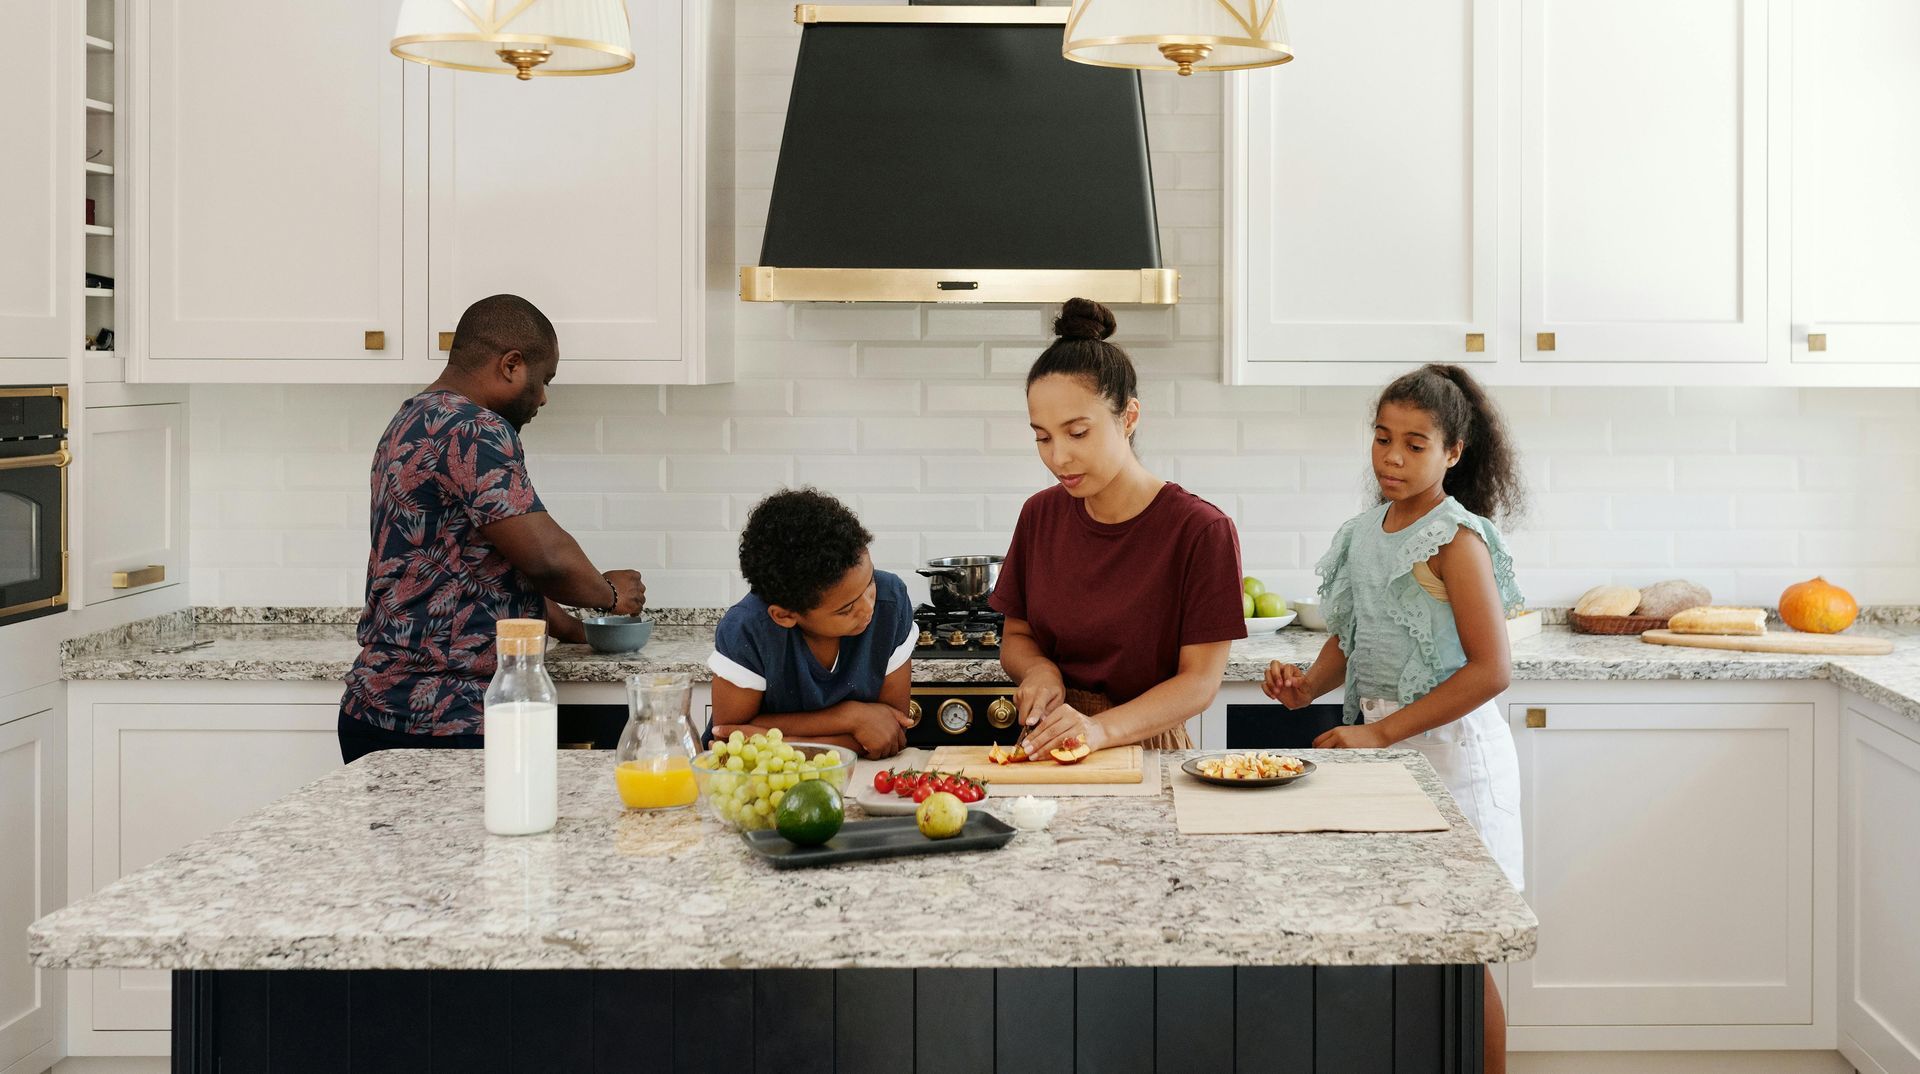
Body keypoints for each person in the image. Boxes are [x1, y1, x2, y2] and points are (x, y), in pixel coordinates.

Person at [1263, 362, 1526, 1074]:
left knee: (1463, 953)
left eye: (1414, 444)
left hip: (1452, 756)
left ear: (1453, 453)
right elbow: (1357, 634)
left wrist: (1378, 733)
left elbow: (1490, 670)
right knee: (1398, 939)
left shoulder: (1457, 541)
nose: (1392, 457)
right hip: (1389, 760)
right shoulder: (1364, 531)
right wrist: (1306, 685)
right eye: (1383, 439)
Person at [338, 294, 646, 764]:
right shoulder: (474, 429)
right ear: (511, 365)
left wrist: (580, 630)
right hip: (447, 716)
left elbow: (491, 563)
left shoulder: (411, 417)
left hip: (380, 709)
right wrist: (609, 595)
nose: (543, 396)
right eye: (544, 380)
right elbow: (546, 557)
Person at [993, 298, 1247, 757]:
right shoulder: (1039, 515)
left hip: (1147, 745)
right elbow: (1017, 637)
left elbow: (1199, 683)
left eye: (1077, 432)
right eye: (1042, 437)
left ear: (1128, 417)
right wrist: (1039, 671)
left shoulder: (1201, 531)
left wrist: (1100, 730)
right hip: (1050, 744)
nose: (1058, 457)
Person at [705, 488, 917, 759]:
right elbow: (727, 741)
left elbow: (888, 734)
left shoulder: (890, 602)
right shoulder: (748, 630)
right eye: (846, 608)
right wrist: (850, 718)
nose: (868, 608)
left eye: (870, 582)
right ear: (785, 616)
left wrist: (774, 739)